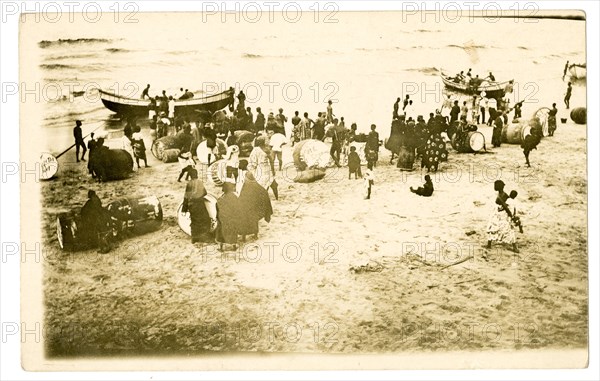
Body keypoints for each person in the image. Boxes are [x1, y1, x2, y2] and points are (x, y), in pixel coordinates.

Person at [238, 171, 273, 240]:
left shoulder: (246, 185)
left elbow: (241, 197)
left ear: (247, 178)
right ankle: (255, 235)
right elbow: (264, 192)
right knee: (254, 222)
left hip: (246, 209)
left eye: (245, 177)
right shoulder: (256, 184)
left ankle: (244, 238)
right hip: (254, 209)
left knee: (243, 223)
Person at [181, 170, 214, 244]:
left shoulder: (189, 183)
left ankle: (194, 238)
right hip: (199, 204)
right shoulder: (199, 182)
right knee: (205, 220)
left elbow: (186, 196)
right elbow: (205, 192)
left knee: (194, 221)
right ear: (197, 174)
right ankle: (205, 238)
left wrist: (184, 208)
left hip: (191, 205)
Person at [486, 180, 519, 253]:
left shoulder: (503, 195)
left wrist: (511, 215)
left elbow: (506, 206)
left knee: (508, 230)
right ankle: (489, 244)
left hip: (502, 215)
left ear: (498, 186)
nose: (494, 187)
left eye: (495, 185)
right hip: (497, 213)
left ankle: (514, 247)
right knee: (493, 228)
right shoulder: (500, 194)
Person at [248, 136, 278, 200]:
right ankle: (276, 197)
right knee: (272, 183)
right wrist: (273, 170)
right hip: (266, 168)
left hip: (260, 168)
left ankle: (262, 197)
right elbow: (271, 160)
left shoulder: (255, 150)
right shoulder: (266, 149)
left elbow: (253, 162)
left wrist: (252, 169)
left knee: (262, 184)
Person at [216, 180, 241, 251]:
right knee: (232, 231)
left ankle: (221, 247)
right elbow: (238, 208)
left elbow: (217, 208)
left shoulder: (221, 198)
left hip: (222, 218)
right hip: (232, 218)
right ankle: (233, 246)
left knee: (221, 232)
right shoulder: (234, 197)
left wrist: (218, 217)